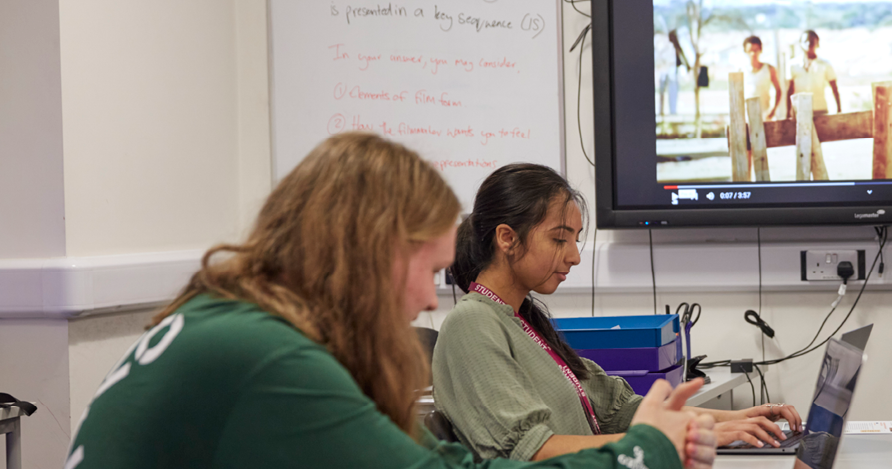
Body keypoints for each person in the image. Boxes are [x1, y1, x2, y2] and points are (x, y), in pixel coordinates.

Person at [65, 133, 716, 469]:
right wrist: (642, 453)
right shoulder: (267, 358)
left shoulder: (233, 319)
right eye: (423, 268)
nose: (423, 299)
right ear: (363, 249)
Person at [434, 164, 803, 462]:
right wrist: (674, 439)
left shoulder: (525, 321)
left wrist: (734, 419)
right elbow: (529, 452)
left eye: (576, 241)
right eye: (559, 239)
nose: (575, 256)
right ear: (506, 238)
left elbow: (622, 411)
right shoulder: (473, 323)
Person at [785, 30, 840, 116]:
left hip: (820, 109)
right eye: (805, 41)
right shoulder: (792, 65)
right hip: (800, 111)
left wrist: (839, 109)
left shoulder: (825, 65)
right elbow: (790, 90)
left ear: (817, 43)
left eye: (811, 41)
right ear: (800, 44)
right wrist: (788, 112)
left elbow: (834, 88)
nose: (808, 44)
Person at [743, 35, 783, 121]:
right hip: (747, 116)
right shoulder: (741, 71)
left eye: (755, 50)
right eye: (750, 50)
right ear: (745, 51)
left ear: (760, 50)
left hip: (765, 115)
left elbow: (779, 90)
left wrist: (773, 110)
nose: (753, 53)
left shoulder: (769, 69)